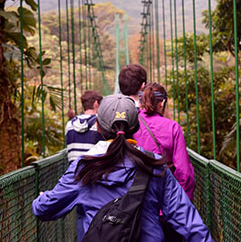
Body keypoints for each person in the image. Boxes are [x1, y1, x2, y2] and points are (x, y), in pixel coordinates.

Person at [32, 94, 213, 242]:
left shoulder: (84, 166)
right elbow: (188, 222)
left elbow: (44, 210)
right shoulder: (155, 165)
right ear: (135, 127)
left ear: (98, 127)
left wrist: (41, 199)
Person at [134, 83, 196, 201]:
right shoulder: (173, 127)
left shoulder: (131, 125)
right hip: (164, 198)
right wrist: (183, 202)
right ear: (162, 103)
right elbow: (184, 173)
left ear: (140, 103)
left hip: (135, 200)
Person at [65, 90, 103, 163]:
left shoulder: (69, 125)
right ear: (96, 104)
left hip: (74, 171)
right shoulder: (100, 123)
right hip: (94, 171)